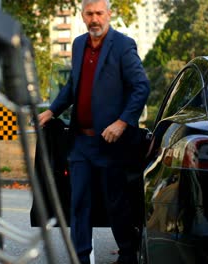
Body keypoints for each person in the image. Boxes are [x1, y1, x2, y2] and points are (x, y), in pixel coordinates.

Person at [38, 0, 150, 263]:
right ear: (82, 16)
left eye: (99, 13)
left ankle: (127, 255)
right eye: (89, 14)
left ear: (108, 15)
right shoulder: (78, 44)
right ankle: (80, 256)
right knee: (78, 203)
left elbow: (141, 87)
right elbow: (72, 85)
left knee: (116, 204)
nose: (95, 19)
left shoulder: (123, 45)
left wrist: (122, 122)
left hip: (110, 143)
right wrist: (51, 111)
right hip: (80, 142)